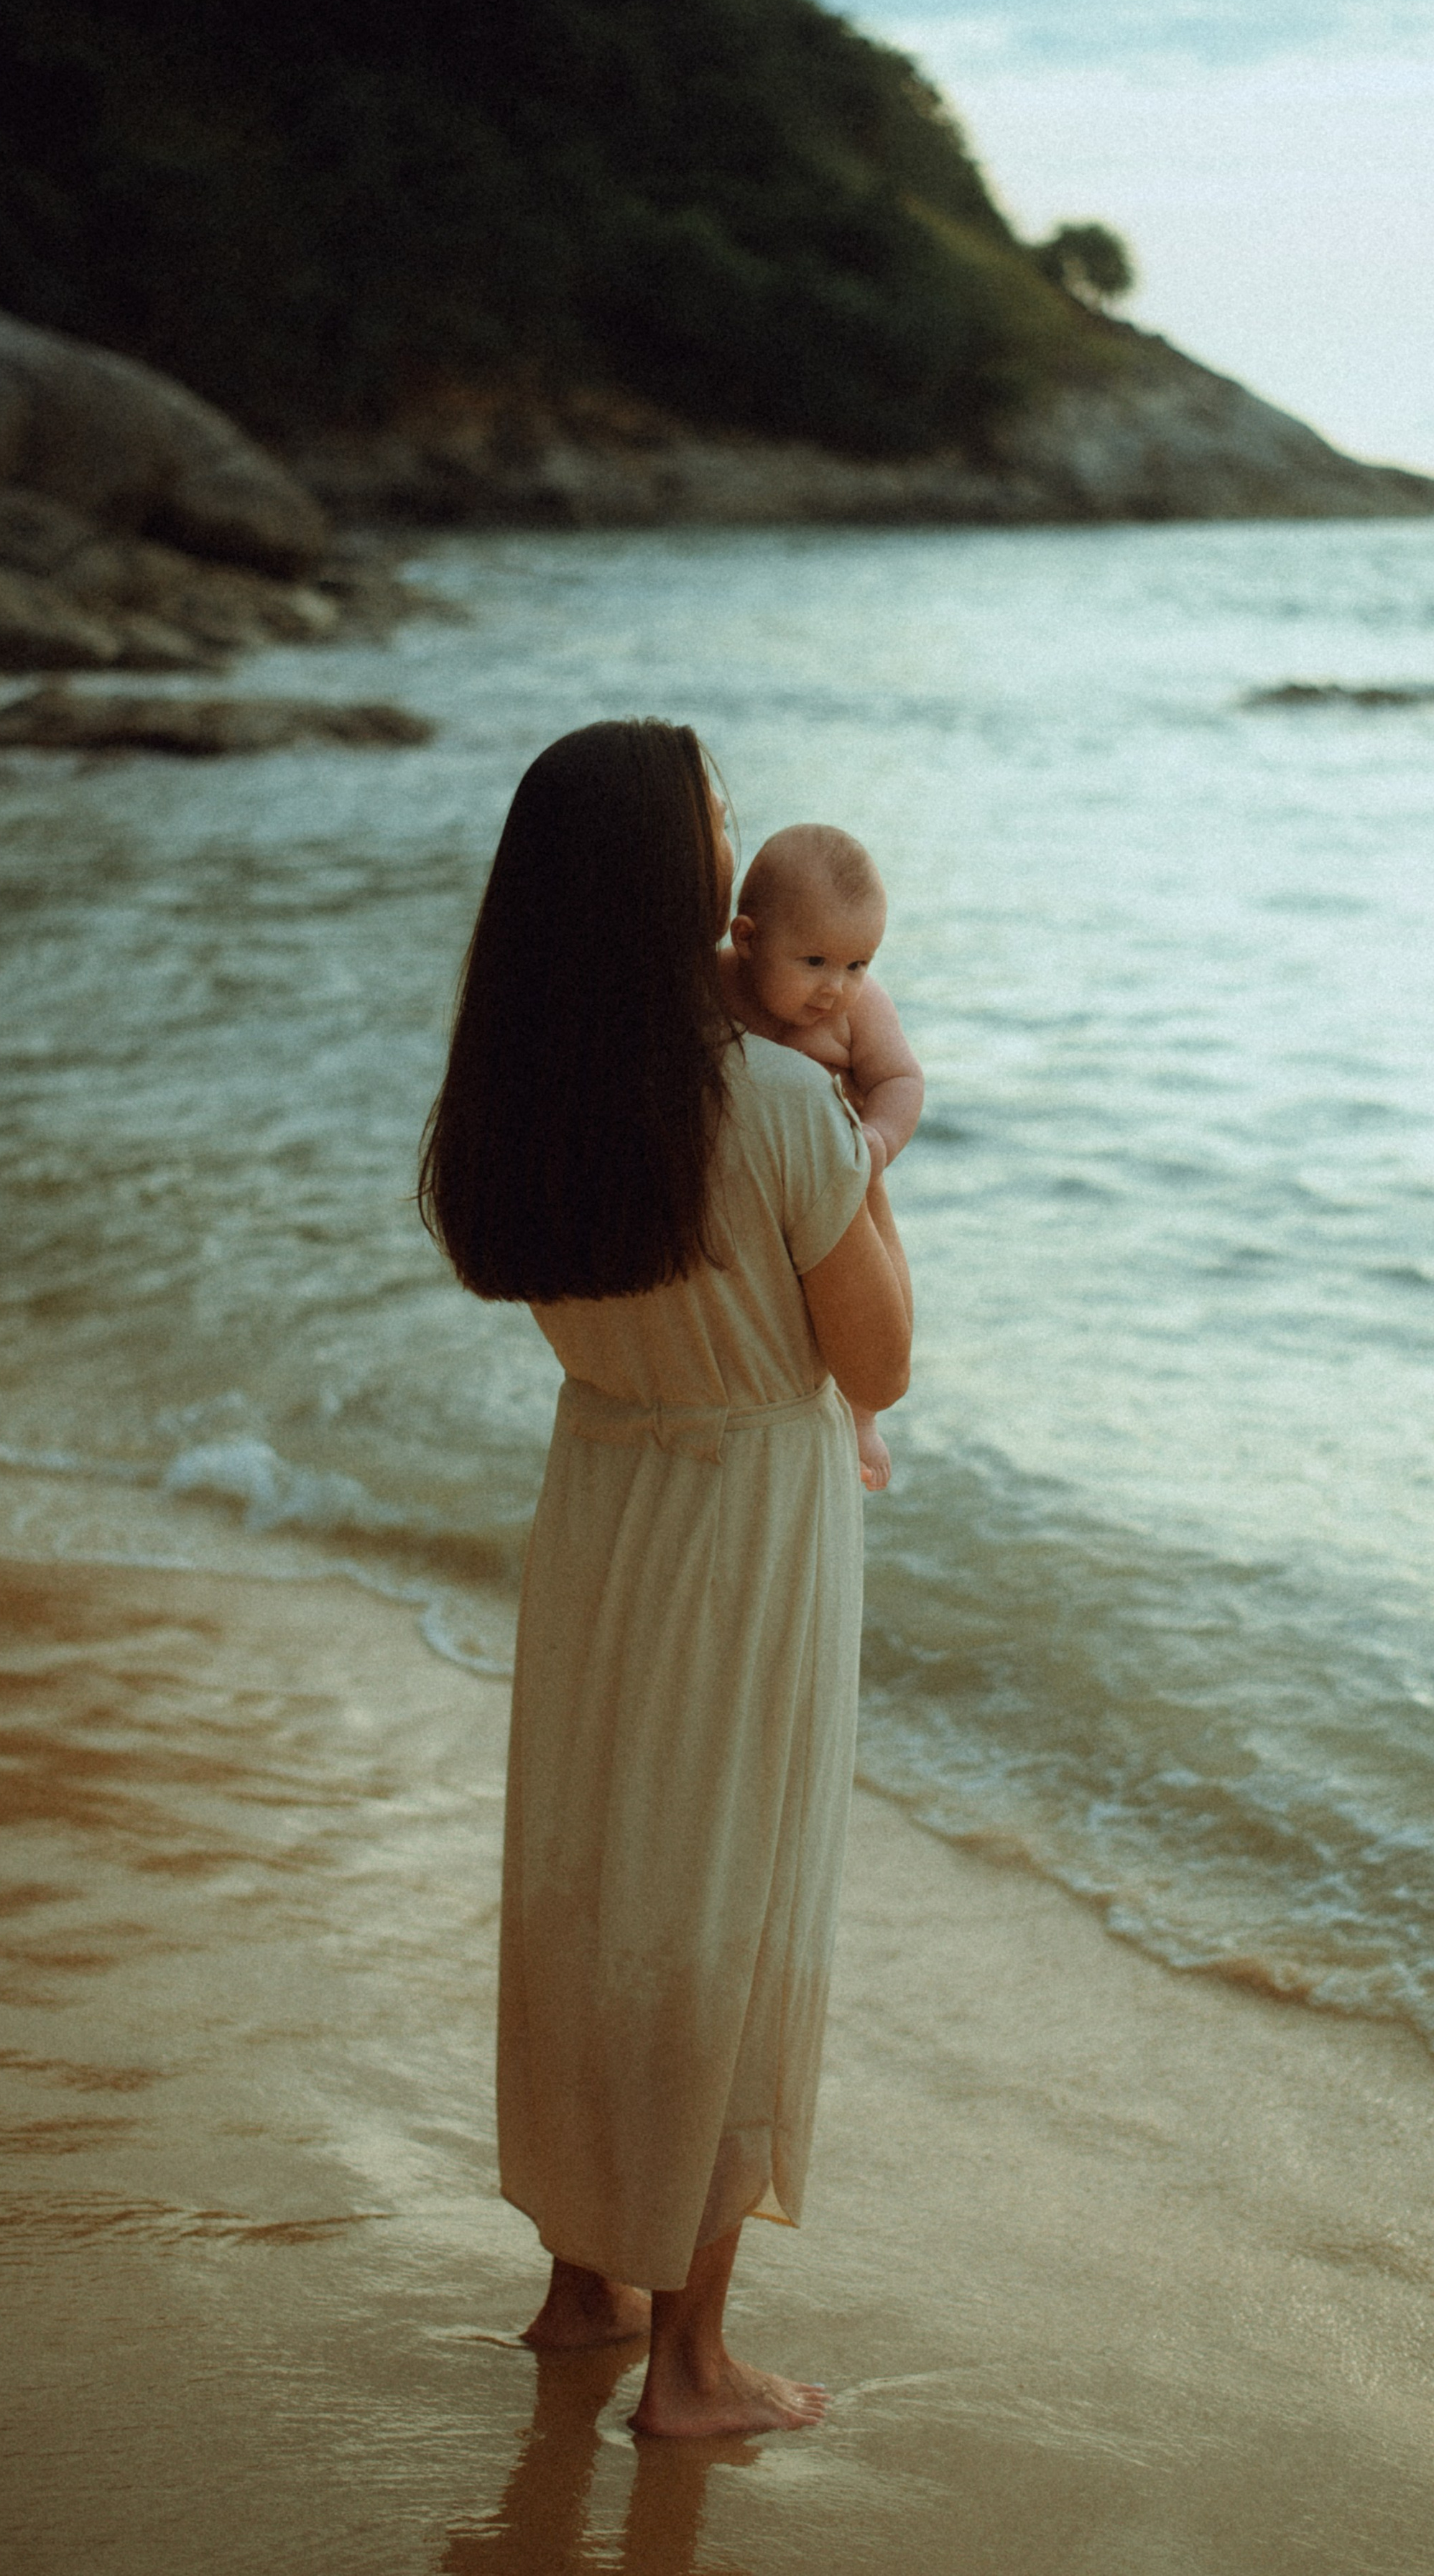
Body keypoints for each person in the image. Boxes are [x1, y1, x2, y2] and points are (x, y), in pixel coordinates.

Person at [418, 719, 912, 2439]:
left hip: (603, 1496)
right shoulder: (776, 1106)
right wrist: (865, 1137)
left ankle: (580, 2285)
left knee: (588, 1878)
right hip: (748, 1520)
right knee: (730, 1906)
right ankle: (690, 2365)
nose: (728, 866)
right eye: (709, 838)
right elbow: (880, 1358)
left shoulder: (519, 1102)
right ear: (669, 889)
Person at [719, 823, 924, 1492]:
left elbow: (900, 1081)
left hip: (842, 1175)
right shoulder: (715, 986)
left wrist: (879, 1142)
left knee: (876, 1300)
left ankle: (861, 1422)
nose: (836, 987)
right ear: (746, 940)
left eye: (858, 963)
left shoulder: (860, 1013)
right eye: (814, 962)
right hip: (754, 1195)